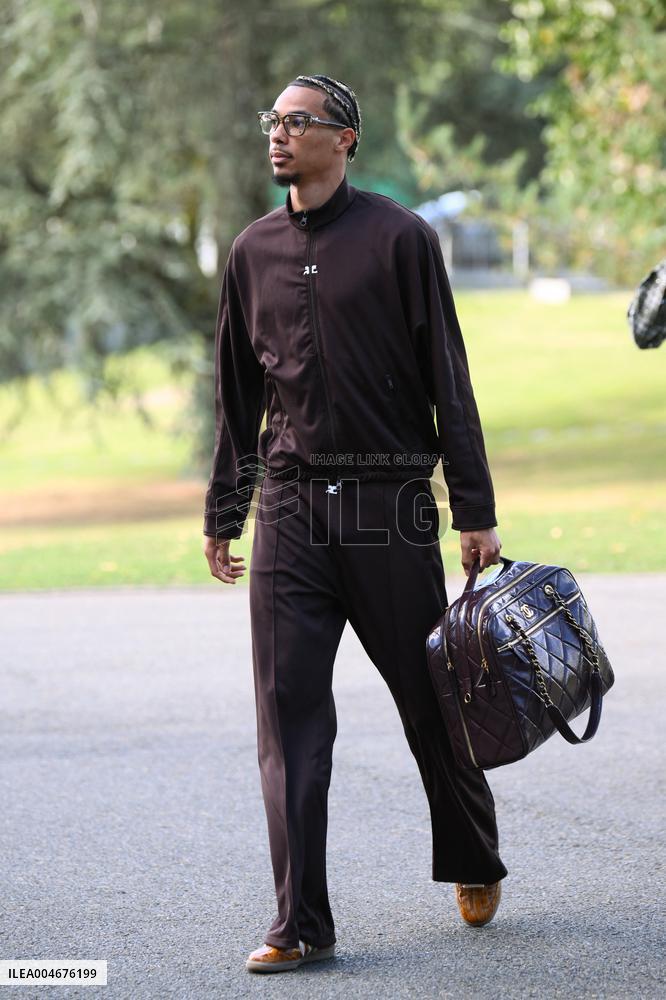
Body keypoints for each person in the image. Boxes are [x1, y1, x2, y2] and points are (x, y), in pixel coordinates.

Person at [202, 74, 506, 975]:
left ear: (345, 140)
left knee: (431, 701)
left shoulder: (401, 240)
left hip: (389, 505)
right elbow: (236, 393)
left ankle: (473, 856)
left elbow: (447, 375)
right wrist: (227, 508)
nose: (279, 136)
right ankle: (301, 923)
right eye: (274, 122)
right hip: (292, 508)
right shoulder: (251, 250)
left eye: (299, 123)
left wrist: (474, 507)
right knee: (289, 713)